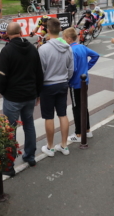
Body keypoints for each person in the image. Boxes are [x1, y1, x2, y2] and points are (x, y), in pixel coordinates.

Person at [0, 22, 43, 175]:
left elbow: (1, 76)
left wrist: (4, 92)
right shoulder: (31, 48)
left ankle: (9, 166)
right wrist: (38, 93)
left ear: (7, 34)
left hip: (13, 97)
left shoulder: (7, 50)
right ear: (21, 31)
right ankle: (30, 156)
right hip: (29, 95)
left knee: (9, 130)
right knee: (29, 124)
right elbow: (39, 73)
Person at [38, 18, 74, 157]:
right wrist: (66, 79)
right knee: (63, 114)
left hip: (48, 85)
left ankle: (50, 146)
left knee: (49, 117)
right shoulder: (67, 47)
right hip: (63, 83)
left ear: (47, 29)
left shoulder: (43, 49)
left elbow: (40, 71)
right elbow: (71, 68)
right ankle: (64, 145)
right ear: (60, 30)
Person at [62, 27, 99, 142]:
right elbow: (95, 55)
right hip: (84, 81)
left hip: (75, 83)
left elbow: (72, 69)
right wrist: (86, 68)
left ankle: (78, 133)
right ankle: (87, 129)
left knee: (76, 107)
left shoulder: (71, 50)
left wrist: (67, 78)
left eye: (64, 38)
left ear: (68, 38)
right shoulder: (82, 47)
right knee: (83, 105)